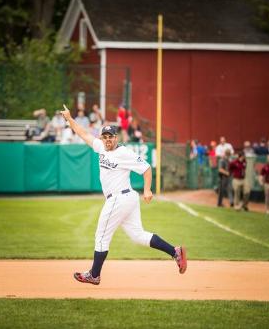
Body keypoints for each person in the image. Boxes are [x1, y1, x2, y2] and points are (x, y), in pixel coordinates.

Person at [60, 105, 187, 285]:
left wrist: (148, 189)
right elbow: (83, 133)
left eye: (110, 136)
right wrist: (69, 119)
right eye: (104, 137)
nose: (107, 140)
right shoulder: (100, 147)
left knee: (101, 236)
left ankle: (94, 274)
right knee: (138, 236)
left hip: (120, 198)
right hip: (126, 199)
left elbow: (146, 168)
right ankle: (175, 252)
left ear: (116, 137)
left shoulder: (124, 153)